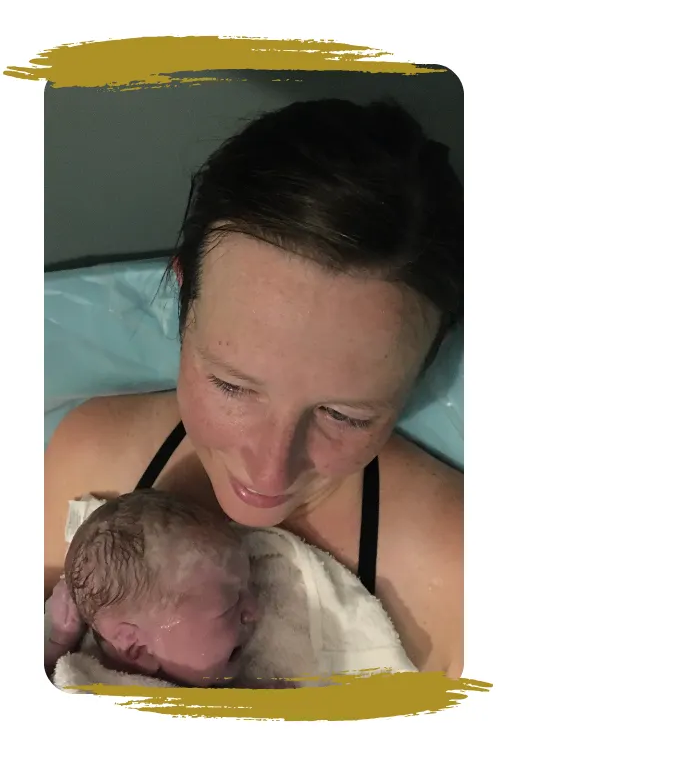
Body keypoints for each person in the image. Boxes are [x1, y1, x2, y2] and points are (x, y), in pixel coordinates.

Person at [44, 97, 464, 677]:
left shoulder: (459, 576)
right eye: (232, 386)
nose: (268, 476)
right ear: (183, 297)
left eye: (345, 415)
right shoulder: (89, 459)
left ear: (428, 362)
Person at [48, 488, 260, 687]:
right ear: (138, 649)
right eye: (228, 607)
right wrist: (58, 643)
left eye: (250, 585)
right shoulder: (85, 682)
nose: (256, 609)